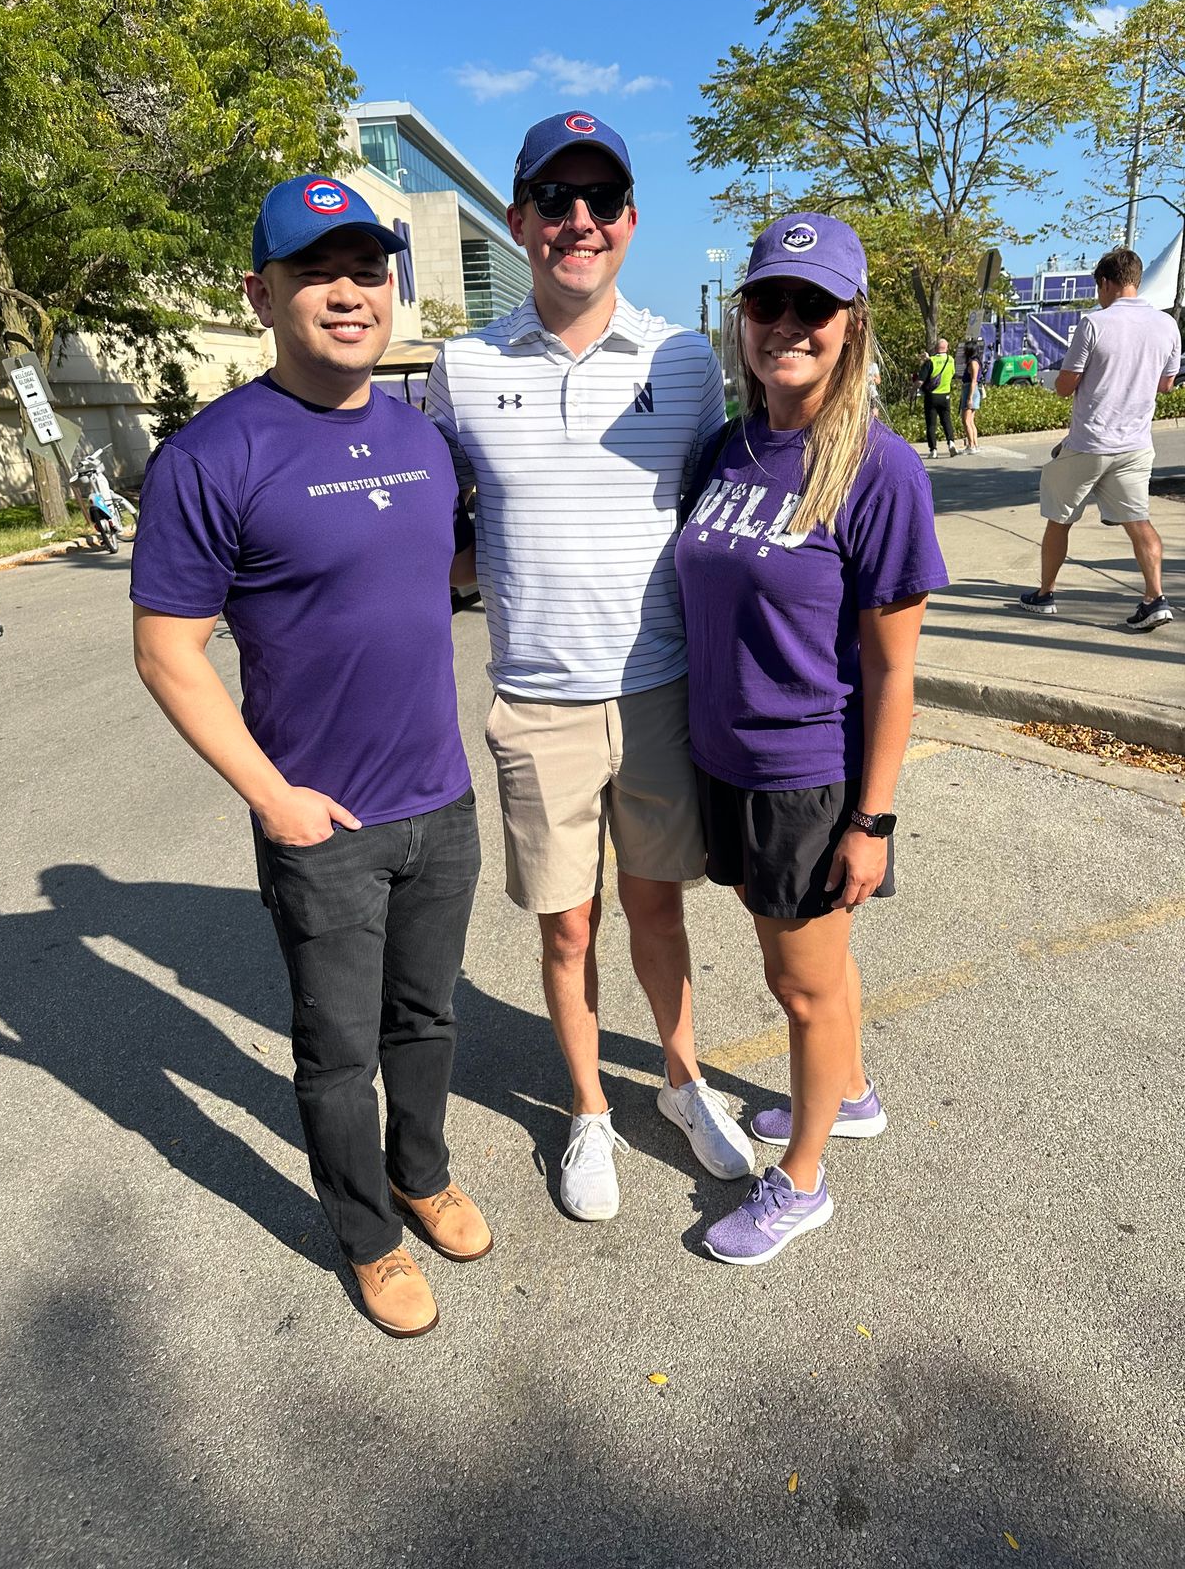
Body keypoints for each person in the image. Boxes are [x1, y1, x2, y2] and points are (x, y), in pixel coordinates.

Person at [130, 175, 489, 1339]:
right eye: (317, 272)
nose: (350, 292)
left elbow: (437, 587)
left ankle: (419, 1174)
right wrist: (272, 797)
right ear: (262, 292)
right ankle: (366, 1235)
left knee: (426, 1020)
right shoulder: (211, 454)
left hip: (441, 798)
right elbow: (168, 650)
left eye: (368, 269)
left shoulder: (422, 438)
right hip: (320, 822)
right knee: (337, 1050)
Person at [424, 112, 756, 1222]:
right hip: (537, 702)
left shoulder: (682, 361)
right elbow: (443, 539)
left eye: (600, 200)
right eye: (555, 200)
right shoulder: (462, 372)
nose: (579, 221)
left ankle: (679, 1081)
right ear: (517, 219)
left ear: (628, 220)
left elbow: (727, 521)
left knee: (658, 909)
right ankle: (587, 1110)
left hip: (660, 693)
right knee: (566, 924)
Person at [674, 212, 948, 1266]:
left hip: (805, 774)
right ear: (742, 314)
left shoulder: (880, 470)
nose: (787, 323)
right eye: (768, 301)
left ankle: (802, 1183)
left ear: (852, 324)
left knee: (802, 983)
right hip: (723, 760)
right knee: (815, 971)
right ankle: (852, 1092)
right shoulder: (728, 448)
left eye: (813, 306)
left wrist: (872, 819)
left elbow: (891, 666)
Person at [1019, 246, 1179, 632]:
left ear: (1106, 283)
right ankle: (1155, 598)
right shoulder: (1167, 325)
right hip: (1136, 444)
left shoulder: (1095, 323)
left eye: (1099, 288)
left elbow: (1065, 385)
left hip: (1090, 441)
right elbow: (1167, 385)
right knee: (1139, 521)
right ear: (1136, 281)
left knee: (1059, 519)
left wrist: (1059, 380)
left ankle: (1045, 594)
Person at [919, 338, 960, 458]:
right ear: (946, 348)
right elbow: (951, 373)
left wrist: (913, 390)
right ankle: (951, 442)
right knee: (946, 420)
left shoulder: (931, 361)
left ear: (936, 348)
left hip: (932, 396)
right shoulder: (951, 360)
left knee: (931, 424)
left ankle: (933, 450)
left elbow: (921, 379)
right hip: (945, 395)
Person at [959, 343, 982, 453]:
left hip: (970, 389)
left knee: (966, 420)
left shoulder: (973, 363)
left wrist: (969, 398)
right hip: (970, 389)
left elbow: (973, 381)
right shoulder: (974, 361)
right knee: (971, 421)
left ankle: (971, 445)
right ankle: (975, 444)